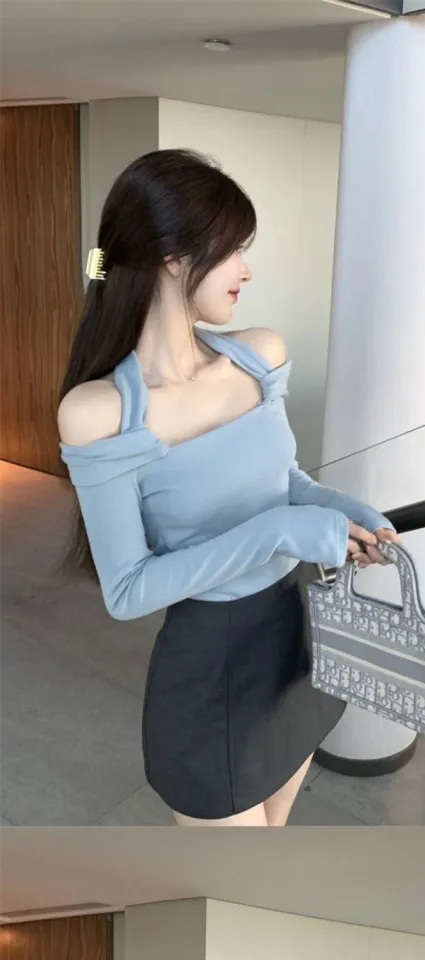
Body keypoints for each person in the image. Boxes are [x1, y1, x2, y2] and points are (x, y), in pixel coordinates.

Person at [58, 149, 399, 828]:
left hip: (297, 631)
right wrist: (278, 533)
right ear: (172, 257)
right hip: (211, 666)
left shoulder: (259, 355)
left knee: (273, 841)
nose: (246, 270)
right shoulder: (100, 413)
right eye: (233, 250)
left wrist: (344, 511)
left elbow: (286, 483)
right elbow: (128, 590)